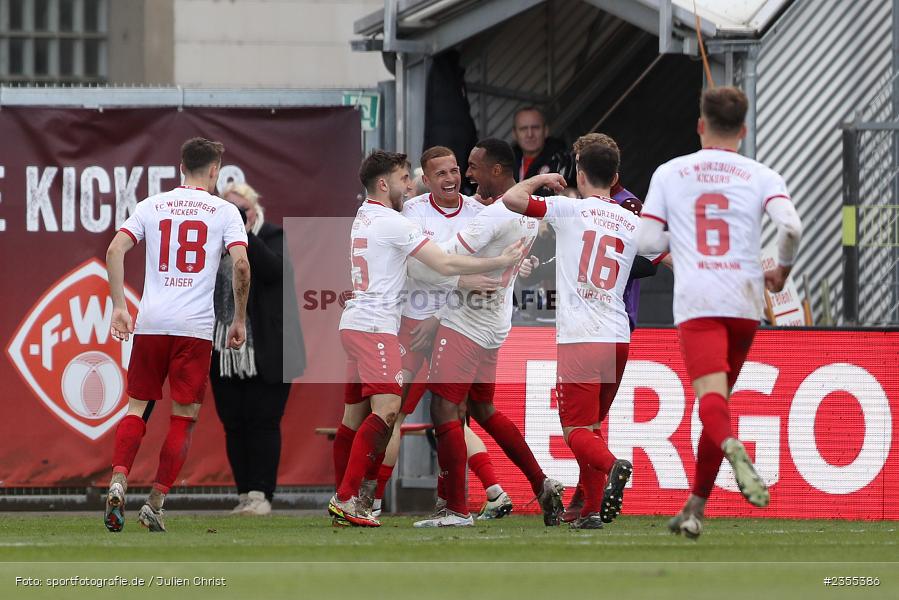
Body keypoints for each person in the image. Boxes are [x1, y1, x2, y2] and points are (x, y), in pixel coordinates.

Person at [637, 86, 802, 538]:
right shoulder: (762, 173)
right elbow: (790, 225)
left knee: (711, 405)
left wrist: (683, 244)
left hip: (700, 300)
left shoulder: (671, 172)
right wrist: (782, 271)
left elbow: (648, 242)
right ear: (744, 131)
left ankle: (732, 445)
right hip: (746, 300)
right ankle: (694, 508)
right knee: (719, 403)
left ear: (699, 125)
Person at [329, 150, 524, 527]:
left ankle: (356, 499)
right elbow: (443, 264)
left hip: (416, 323)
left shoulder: (368, 214)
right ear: (385, 184)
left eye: (455, 170)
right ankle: (354, 498)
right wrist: (496, 264)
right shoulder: (402, 218)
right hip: (393, 326)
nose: (412, 183)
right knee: (391, 413)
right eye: (407, 178)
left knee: (412, 415)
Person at [503, 136, 656, 529]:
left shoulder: (569, 209)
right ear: (616, 177)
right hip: (618, 335)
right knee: (591, 428)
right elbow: (656, 258)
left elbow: (512, 200)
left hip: (580, 337)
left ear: (579, 174)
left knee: (574, 431)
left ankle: (614, 465)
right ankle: (588, 512)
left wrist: (543, 180)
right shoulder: (632, 220)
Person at [411, 138, 564, 528]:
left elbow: (439, 261)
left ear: (496, 171)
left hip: (465, 322)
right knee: (483, 409)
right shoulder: (526, 212)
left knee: (444, 409)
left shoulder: (493, 215)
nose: (467, 174)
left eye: (474, 167)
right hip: (495, 324)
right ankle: (541, 482)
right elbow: (520, 194)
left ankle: (455, 510)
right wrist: (541, 178)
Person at [103, 137, 250, 533]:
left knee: (137, 408)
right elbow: (240, 266)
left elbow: (115, 250)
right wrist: (239, 318)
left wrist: (119, 306)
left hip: (151, 323)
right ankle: (155, 502)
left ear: (180, 165)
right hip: (194, 330)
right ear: (216, 170)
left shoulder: (153, 205)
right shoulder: (225, 212)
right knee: (183, 418)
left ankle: (118, 479)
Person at [210, 182, 305, 516]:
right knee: (234, 423)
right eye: (228, 213)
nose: (235, 218)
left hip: (269, 350)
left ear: (253, 211)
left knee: (264, 422)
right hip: (225, 352)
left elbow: (273, 270)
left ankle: (261, 493)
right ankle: (243, 493)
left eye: (241, 212)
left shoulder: (272, 236)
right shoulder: (213, 247)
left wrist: (242, 235)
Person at [511, 106, 574, 194]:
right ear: (514, 134)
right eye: (523, 129)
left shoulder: (562, 160)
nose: (529, 134)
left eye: (535, 127)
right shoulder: (506, 163)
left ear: (546, 130)